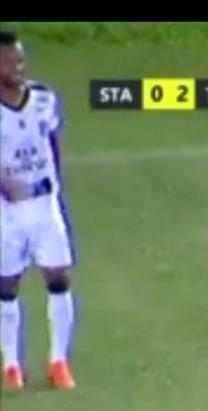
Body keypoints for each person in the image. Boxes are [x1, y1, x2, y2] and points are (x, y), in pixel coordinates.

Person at [0, 29, 77, 390]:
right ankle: (11, 364)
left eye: (20, 60)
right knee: (7, 285)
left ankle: (58, 361)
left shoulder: (44, 98)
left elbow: (52, 140)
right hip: (7, 211)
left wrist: (54, 184)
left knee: (58, 278)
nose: (17, 67)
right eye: (9, 62)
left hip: (44, 204)